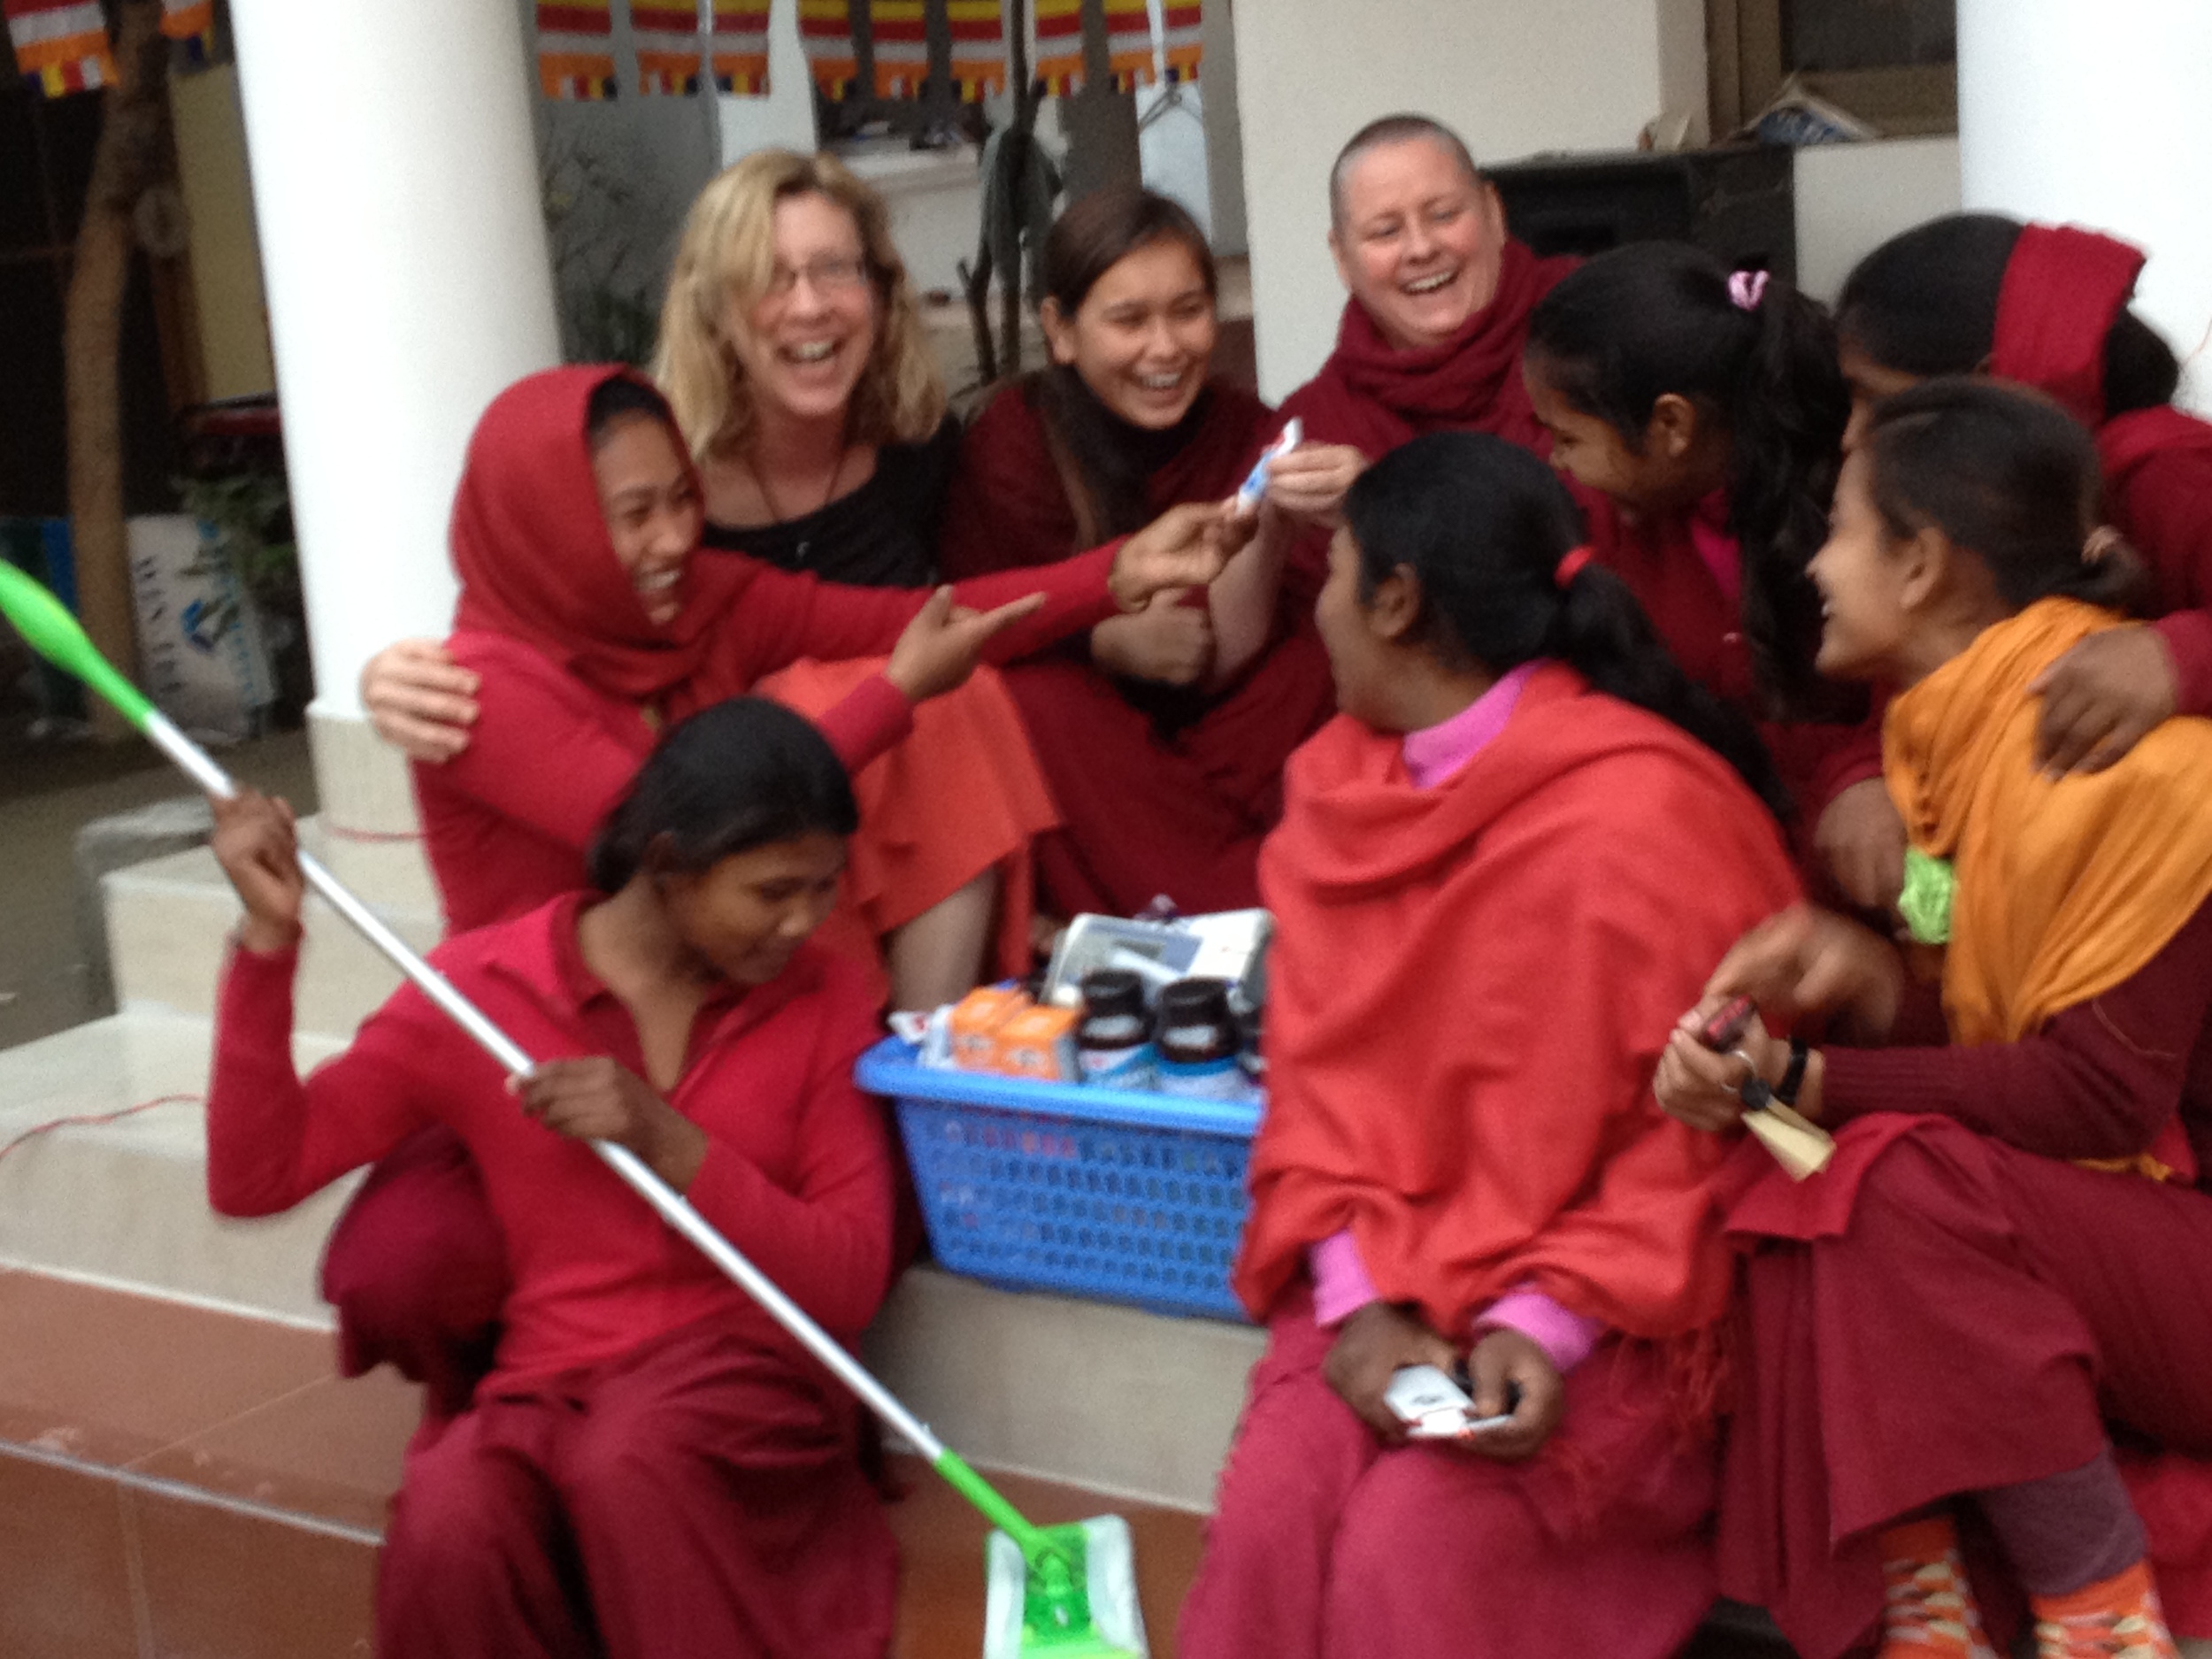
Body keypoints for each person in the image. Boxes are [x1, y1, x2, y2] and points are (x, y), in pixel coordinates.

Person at [321, 362, 1228, 1426]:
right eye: (630, 515)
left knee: (842, 1227)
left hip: (725, 1033)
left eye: (677, 502)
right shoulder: (474, 689)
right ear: (548, 524)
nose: (669, 541)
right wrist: (892, 700)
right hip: (542, 1062)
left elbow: (910, 617)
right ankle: (516, 1424)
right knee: (402, 1266)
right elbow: (665, 833)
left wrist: (1112, 574)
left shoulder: (703, 604)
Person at [1177, 432, 1802, 1659]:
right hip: (1387, 1274)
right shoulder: (1338, 790)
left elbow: (1710, 1148)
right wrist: (1358, 1303)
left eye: (1333, 571)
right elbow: (1314, 1094)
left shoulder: (1650, 816)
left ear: (1397, 601)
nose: (1319, 610)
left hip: (1616, 1312)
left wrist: (1540, 1322)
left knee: (1414, 1549)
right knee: (1272, 1515)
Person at [1654, 380, 2212, 1659]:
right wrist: (1846, 993)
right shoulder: (1943, 753)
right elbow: (1975, 1024)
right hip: (2111, 1224)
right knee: (1799, 1167)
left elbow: (2095, 1099)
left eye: (1840, 526)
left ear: (1920, 565)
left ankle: (2101, 1619)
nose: (1810, 559)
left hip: (2180, 1227)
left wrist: (1809, 1073)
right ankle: (1933, 1614)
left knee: (1886, 1173)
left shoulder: (2148, 770)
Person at [206, 696, 909, 1658]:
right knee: (453, 1515)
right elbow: (257, 1176)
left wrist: (674, 1144)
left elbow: (850, 1277)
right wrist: (267, 945)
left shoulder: (824, 998)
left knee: (634, 1455)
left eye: (823, 890)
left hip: (751, 1375)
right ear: (664, 865)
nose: (803, 922)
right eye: (773, 891)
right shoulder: (482, 990)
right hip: (552, 1382)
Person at [936, 186, 1335, 915]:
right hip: (1096, 739)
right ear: (1060, 329)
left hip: (1228, 722)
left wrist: (1274, 530)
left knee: (1319, 654)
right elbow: (976, 627)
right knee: (1029, 701)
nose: (1166, 347)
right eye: (1129, 320)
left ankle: (1239, 877)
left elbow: (1220, 649)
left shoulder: (1247, 427)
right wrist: (1100, 642)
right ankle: (1237, 892)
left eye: (1189, 310)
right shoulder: (1017, 441)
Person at [1520, 240, 1896, 910]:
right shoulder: (1608, 524)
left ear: (1671, 425)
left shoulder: (1858, 506)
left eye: (1570, 439)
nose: (1556, 462)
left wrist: (1861, 770)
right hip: (1703, 850)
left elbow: (1930, 675)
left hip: (1861, 860)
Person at [1835, 213, 2212, 776]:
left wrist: (2178, 657)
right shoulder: (1974, 500)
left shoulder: (2167, 478)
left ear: (1989, 387)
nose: (1852, 435)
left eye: (1876, 400)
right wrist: (1859, 777)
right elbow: (1911, 675)